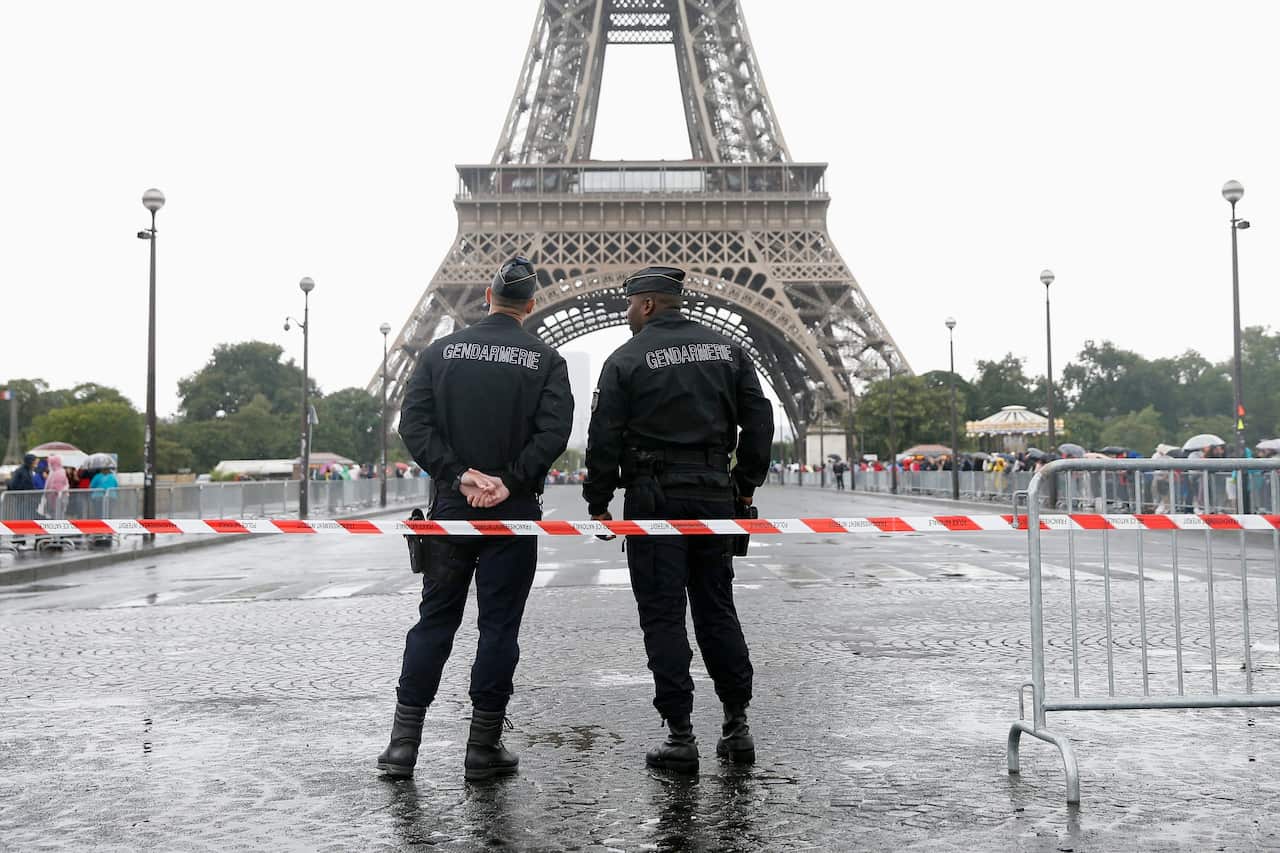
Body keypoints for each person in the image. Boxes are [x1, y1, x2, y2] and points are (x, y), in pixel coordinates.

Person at [379, 256, 573, 782]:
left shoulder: (440, 352)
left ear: (486, 298)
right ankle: (482, 747)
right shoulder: (546, 359)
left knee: (434, 622)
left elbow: (413, 425)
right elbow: (553, 434)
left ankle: (403, 746)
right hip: (511, 514)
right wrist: (509, 480)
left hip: (450, 510)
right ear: (530, 306)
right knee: (499, 628)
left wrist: (459, 474)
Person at [583, 265, 773, 775]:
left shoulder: (624, 359)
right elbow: (759, 420)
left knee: (663, 615)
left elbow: (604, 437)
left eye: (629, 306)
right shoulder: (728, 351)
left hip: (653, 497)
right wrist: (745, 485)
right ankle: (737, 725)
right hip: (714, 492)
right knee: (717, 607)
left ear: (646, 305)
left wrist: (598, 500)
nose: (626, 316)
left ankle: (680, 734)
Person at [41, 454, 70, 519]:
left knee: (58, 516)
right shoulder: (56, 472)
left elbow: (56, 488)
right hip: (55, 500)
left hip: (57, 500)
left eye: (50, 463)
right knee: (57, 516)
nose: (49, 465)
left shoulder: (58, 472)